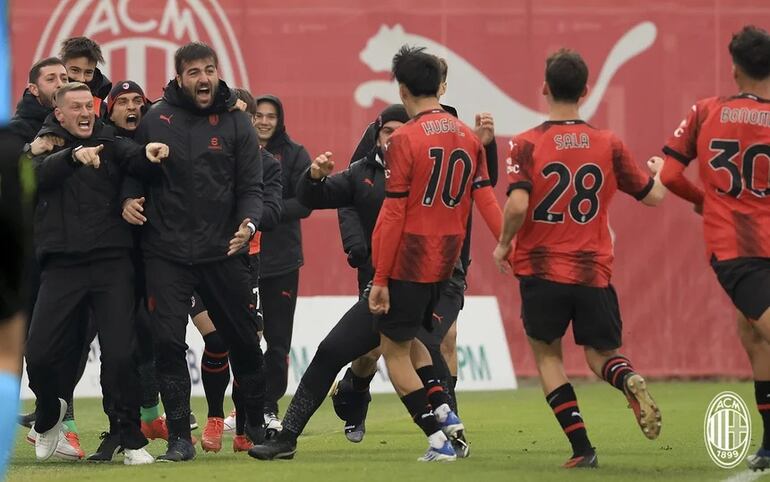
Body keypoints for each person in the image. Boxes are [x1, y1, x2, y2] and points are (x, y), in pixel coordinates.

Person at [492, 49, 665, 468]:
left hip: (541, 267)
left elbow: (516, 207)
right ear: (586, 92)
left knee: (548, 355)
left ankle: (582, 448)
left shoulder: (526, 143)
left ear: (545, 89)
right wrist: (659, 172)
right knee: (600, 355)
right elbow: (653, 197)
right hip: (593, 269)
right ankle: (627, 378)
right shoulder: (609, 143)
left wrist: (502, 245)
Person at [332, 56, 498, 443]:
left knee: (393, 352)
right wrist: (507, 242)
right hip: (446, 264)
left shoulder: (404, 138)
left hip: (409, 262)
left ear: (402, 90)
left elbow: (391, 215)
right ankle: (447, 414)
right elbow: (485, 196)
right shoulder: (466, 135)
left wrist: (381, 276)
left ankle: (438, 438)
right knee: (422, 344)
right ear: (440, 84)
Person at [134, 41, 265, 462]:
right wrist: (127, 198)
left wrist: (249, 224)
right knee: (168, 343)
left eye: (208, 69)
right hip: (166, 252)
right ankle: (178, 437)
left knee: (245, 340)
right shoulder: (155, 118)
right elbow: (132, 170)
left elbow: (252, 189)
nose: (203, 78)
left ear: (217, 72)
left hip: (223, 251)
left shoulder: (236, 122)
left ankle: (255, 427)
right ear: (178, 78)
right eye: (193, 72)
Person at [25, 82, 169, 465]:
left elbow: (132, 157)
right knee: (38, 355)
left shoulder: (110, 140)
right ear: (59, 114)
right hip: (61, 266)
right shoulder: (43, 146)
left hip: (111, 264)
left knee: (121, 355)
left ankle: (131, 438)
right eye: (75, 107)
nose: (85, 113)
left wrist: (149, 154)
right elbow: (36, 177)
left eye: (88, 106)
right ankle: (48, 415)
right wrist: (73, 157)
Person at [658, 25, 770, 471]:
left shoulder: (706, 111)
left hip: (736, 246)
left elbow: (667, 176)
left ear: (734, 68)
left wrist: (707, 201)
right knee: (752, 333)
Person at [191, 87, 283, 454]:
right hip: (196, 261)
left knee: (247, 344)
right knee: (215, 340)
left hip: (244, 265)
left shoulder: (267, 164)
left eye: (247, 120)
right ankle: (214, 417)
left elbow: (274, 209)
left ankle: (245, 424)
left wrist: (251, 224)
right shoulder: (204, 154)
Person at [251, 94, 311, 435]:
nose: (263, 121)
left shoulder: (294, 153)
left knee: (277, 340)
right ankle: (244, 405)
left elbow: (305, 202)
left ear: (279, 120)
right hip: (243, 258)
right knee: (243, 338)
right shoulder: (237, 150)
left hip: (283, 260)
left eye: (270, 116)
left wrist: (263, 213)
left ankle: (270, 406)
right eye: (258, 115)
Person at [59, 36, 111, 107]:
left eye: (88, 72)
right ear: (62, 67)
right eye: (75, 70)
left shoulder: (102, 110)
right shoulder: (46, 103)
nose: (81, 79)